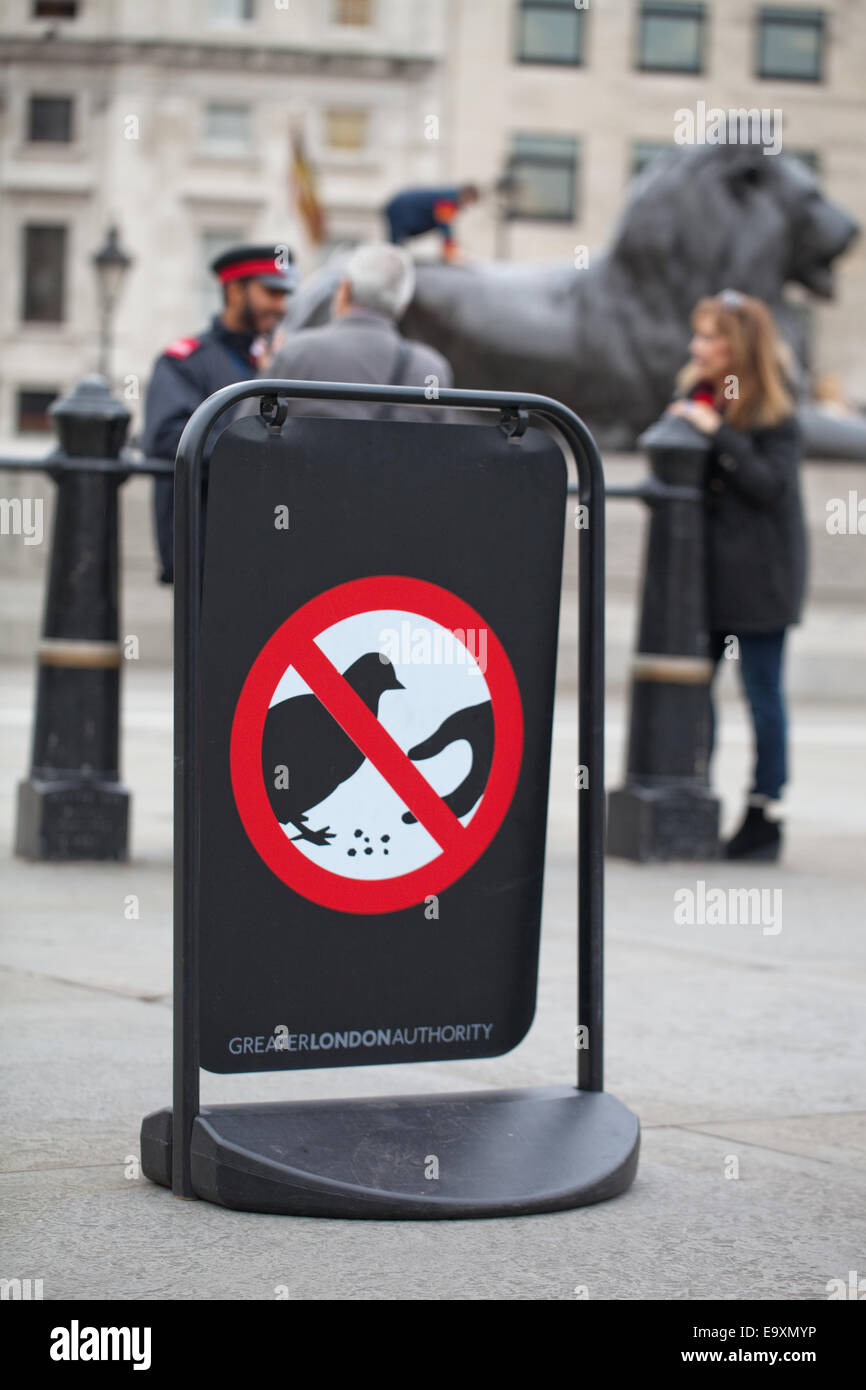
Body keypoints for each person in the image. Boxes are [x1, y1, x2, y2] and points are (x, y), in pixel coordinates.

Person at [667, 289, 807, 861]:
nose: (696, 346)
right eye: (696, 335)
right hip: (707, 578)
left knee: (761, 694)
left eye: (709, 337)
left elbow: (767, 484)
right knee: (696, 694)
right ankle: (697, 797)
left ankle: (763, 812)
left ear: (738, 347)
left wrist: (713, 430)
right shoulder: (697, 396)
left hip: (759, 579)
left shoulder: (771, 410)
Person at [141, 243, 297, 583]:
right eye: (271, 293)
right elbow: (168, 438)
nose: (280, 306)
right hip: (206, 549)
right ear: (234, 290)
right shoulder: (184, 361)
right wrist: (259, 454)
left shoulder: (278, 360)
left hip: (270, 549)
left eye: (285, 296)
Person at [247, 242, 453, 422]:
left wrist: (272, 372)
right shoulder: (432, 369)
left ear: (344, 290)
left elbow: (242, 432)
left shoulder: (296, 353)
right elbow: (442, 451)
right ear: (402, 306)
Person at [383, 184, 479, 262]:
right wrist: (451, 251)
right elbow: (444, 225)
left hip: (401, 208)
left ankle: (392, 259)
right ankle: (391, 262)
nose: (467, 206)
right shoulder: (449, 199)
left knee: (396, 245)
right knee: (395, 245)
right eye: (469, 202)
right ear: (467, 195)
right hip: (401, 209)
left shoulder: (451, 198)